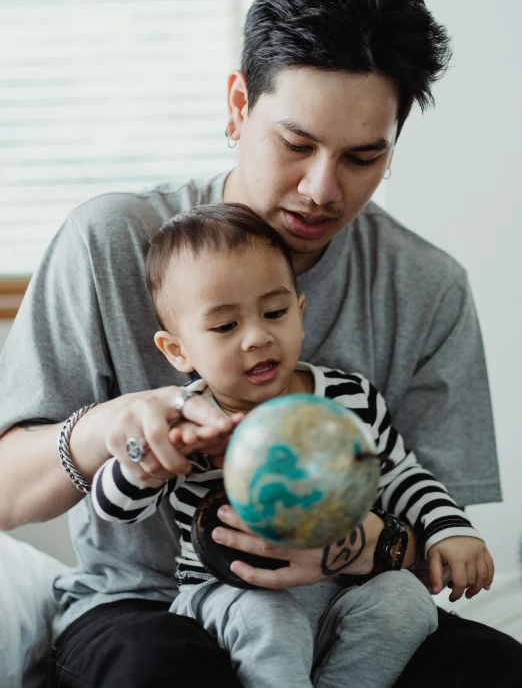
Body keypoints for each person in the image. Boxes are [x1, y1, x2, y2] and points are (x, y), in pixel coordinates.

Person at [0, 0, 520, 688]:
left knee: (494, 668)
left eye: (363, 156)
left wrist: (357, 547)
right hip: (151, 606)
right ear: (240, 104)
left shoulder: (427, 288)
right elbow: (5, 493)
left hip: (346, 605)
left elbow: (434, 532)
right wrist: (116, 428)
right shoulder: (112, 241)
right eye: (296, 144)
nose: (321, 189)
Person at [90, 202, 495, 688]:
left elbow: (400, 477)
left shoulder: (350, 400)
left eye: (275, 312)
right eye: (225, 326)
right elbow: (115, 509)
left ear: (300, 313)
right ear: (178, 350)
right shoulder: (185, 421)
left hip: (346, 590)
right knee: (271, 622)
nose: (257, 337)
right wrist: (144, 467)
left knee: (408, 604)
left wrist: (449, 530)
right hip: (232, 592)